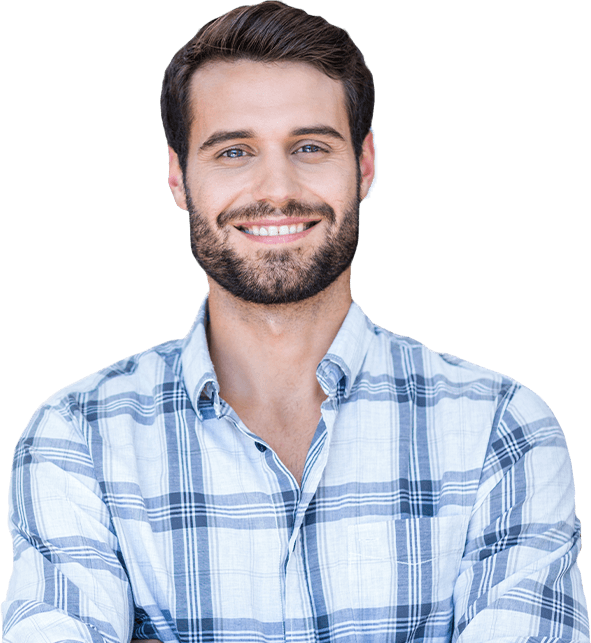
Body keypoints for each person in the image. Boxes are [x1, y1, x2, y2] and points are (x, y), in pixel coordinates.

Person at [2, 1, 589, 641]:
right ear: (179, 175)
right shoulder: (78, 437)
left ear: (364, 165)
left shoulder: (501, 430)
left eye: (310, 146)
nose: (275, 188)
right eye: (233, 152)